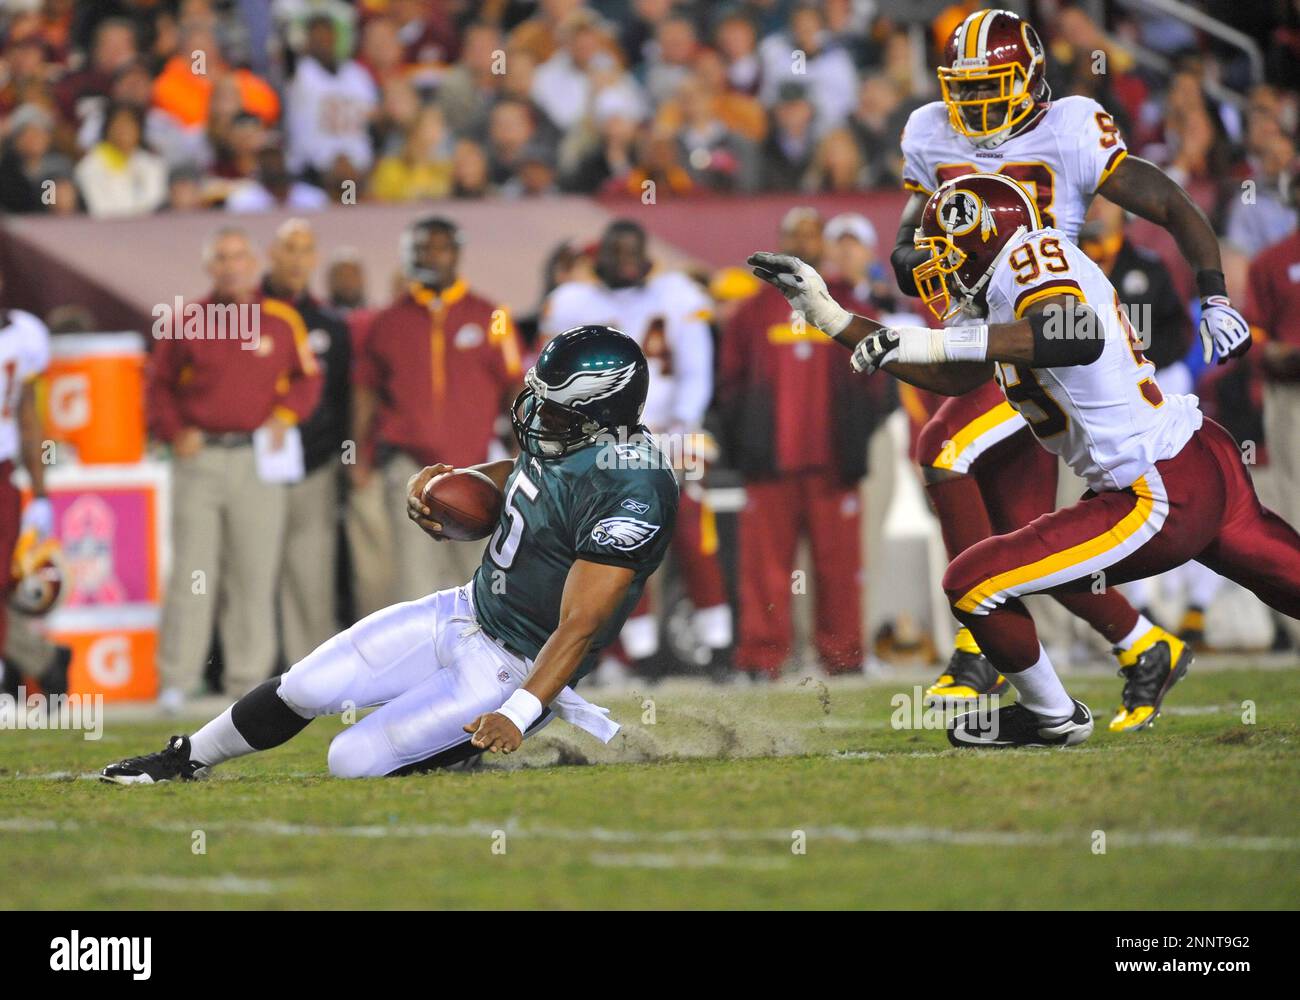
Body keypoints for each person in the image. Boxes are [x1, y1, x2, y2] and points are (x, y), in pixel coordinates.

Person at [750, 172, 1300, 746]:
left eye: (945, 251)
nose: (934, 267)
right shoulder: (997, 283)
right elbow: (953, 373)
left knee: (973, 582)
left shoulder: (1033, 255)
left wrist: (931, 340)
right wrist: (828, 314)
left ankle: (1052, 717)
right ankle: (1111, 664)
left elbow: (1075, 334)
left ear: (985, 236)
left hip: (1154, 487)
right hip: (1192, 452)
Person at [100, 326, 678, 782]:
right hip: (466, 609)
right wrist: (453, 494)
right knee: (303, 687)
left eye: (553, 410)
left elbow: (580, 625)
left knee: (350, 760)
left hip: (519, 664)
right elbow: (527, 482)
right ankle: (184, 759)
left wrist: (518, 713)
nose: (534, 416)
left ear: (604, 415)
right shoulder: (572, 437)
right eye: (538, 399)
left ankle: (466, 749)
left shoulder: (635, 486)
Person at [887, 8, 1250, 729]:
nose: (974, 104)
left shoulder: (1074, 126)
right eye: (965, 87)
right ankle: (1141, 643)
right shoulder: (929, 131)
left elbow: (1171, 205)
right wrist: (916, 256)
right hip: (976, 328)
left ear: (1027, 78)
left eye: (991, 86)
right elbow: (906, 245)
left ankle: (975, 648)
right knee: (1025, 534)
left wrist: (1214, 295)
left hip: (1048, 336)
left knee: (943, 448)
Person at [542, 219, 731, 666]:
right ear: (598, 256)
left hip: (669, 434)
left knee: (692, 536)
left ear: (647, 254)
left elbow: (697, 370)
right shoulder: (572, 302)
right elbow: (553, 379)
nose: (625, 261)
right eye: (616, 252)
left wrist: (683, 426)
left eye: (633, 251)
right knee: (618, 540)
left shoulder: (678, 294)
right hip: (604, 441)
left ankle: (719, 645)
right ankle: (639, 655)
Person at [148, 227, 322, 709]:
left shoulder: (282, 319)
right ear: (210, 267)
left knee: (255, 570)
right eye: (221, 257)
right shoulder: (187, 320)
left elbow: (308, 378)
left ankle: (246, 681)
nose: (231, 265)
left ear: (253, 263)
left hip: (256, 458)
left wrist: (285, 416)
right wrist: (173, 429)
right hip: (200, 458)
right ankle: (177, 678)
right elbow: (158, 385)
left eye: (238, 256)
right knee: (191, 570)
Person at [721, 208, 890, 679]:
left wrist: (855, 440)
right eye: (792, 235)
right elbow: (729, 386)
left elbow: (880, 378)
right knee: (764, 572)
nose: (802, 241)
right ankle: (761, 658)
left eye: (810, 234)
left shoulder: (850, 307)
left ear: (822, 244)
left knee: (839, 569)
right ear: (779, 241)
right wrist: (747, 444)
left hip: (833, 466)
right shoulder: (751, 314)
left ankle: (844, 658)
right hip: (769, 468)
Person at [351, 215, 523, 603]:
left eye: (437, 247)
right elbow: (365, 392)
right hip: (409, 466)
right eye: (418, 248)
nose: (427, 255)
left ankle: (479, 663)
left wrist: (522, 450)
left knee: (478, 578)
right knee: (415, 582)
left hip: (478, 467)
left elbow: (515, 385)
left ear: (456, 252)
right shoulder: (385, 321)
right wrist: (358, 454)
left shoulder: (493, 317)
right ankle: (422, 664)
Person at [262, 220, 352, 665]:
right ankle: (243, 673)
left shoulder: (330, 326)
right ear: (271, 254)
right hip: (251, 462)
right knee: (248, 572)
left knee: (309, 574)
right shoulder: (245, 314)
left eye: (305, 250)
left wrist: (339, 456)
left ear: (314, 259)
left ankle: (309, 673)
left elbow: (341, 398)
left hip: (313, 463)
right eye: (288, 248)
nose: (297, 259)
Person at [0, 297, 54, 693]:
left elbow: (28, 415)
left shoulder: (24, 334)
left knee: (3, 579)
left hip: (2, 470)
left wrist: (39, 491)